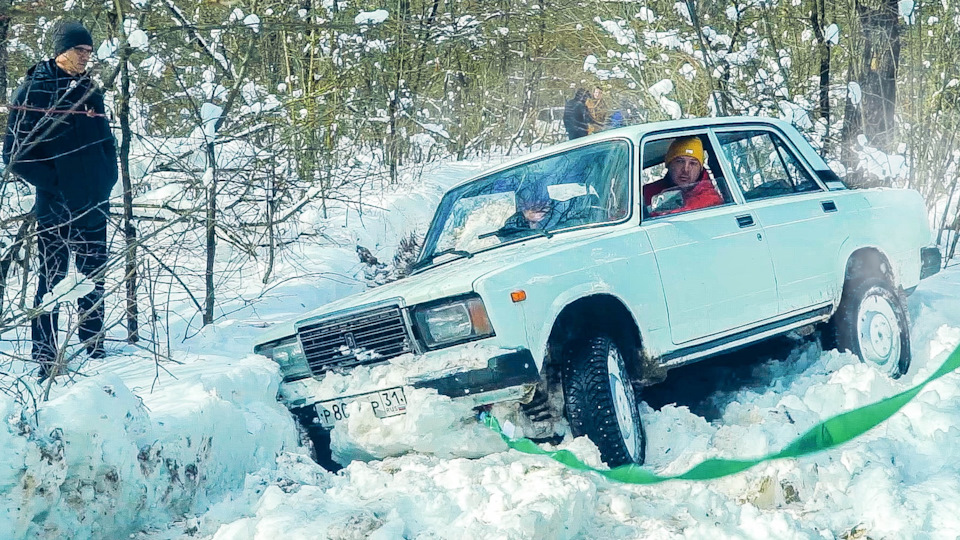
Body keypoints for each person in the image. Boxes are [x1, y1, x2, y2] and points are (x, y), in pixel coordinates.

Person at [3, 21, 118, 378]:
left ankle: (94, 343)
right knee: (51, 279)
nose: (86, 57)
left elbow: (105, 143)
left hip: (94, 202)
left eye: (89, 52)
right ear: (60, 50)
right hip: (55, 205)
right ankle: (45, 353)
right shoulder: (33, 91)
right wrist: (56, 184)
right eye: (79, 50)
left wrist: (106, 178)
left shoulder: (90, 91)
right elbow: (15, 155)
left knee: (94, 275)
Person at [644, 137, 723, 217]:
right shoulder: (647, 192)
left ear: (700, 169)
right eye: (680, 161)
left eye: (693, 163)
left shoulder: (710, 199)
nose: (686, 169)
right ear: (669, 165)